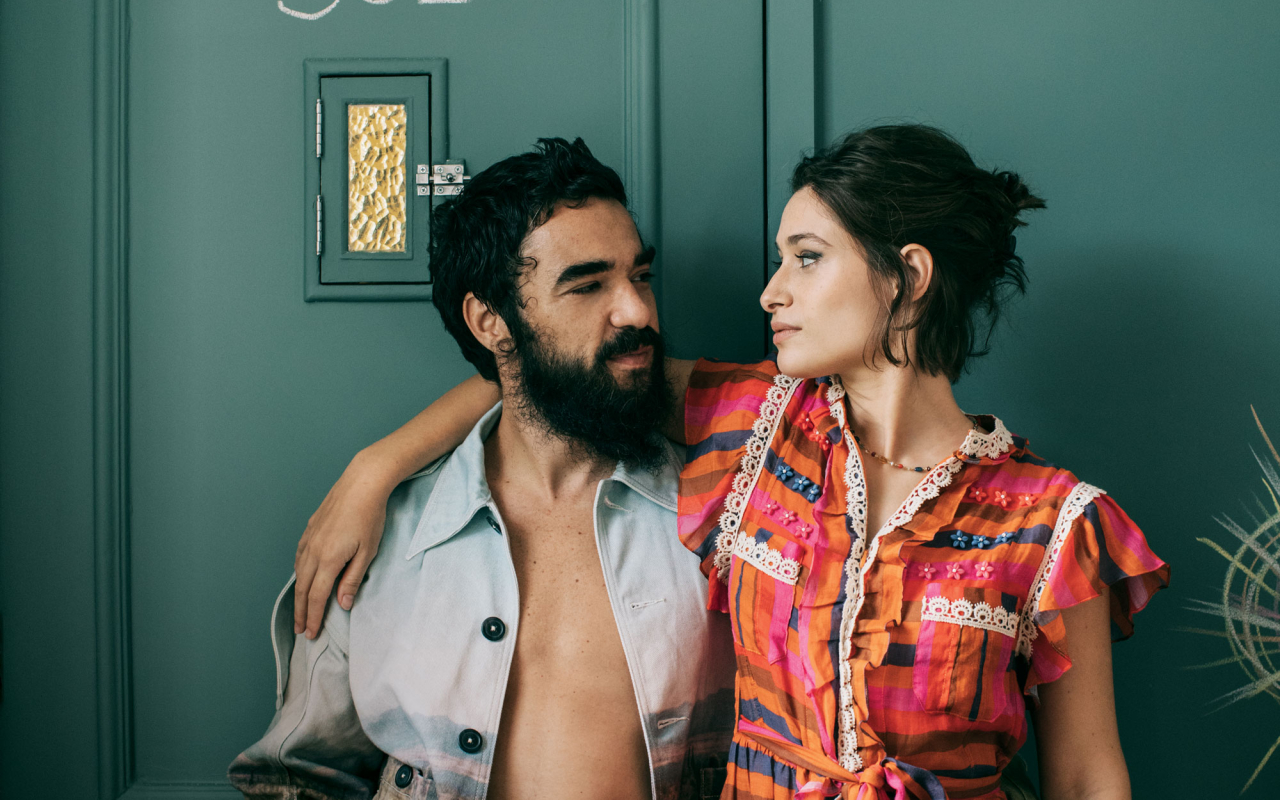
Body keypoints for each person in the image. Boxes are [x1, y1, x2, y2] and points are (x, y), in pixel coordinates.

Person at [292, 125, 1169, 799]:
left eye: (807, 260)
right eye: (781, 259)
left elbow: (1089, 778)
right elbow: (549, 371)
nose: (770, 292)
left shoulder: (1057, 523)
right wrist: (378, 466)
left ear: (906, 276)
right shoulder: (758, 430)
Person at [229, 138, 734, 800]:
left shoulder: (729, 512)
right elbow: (298, 778)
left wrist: (379, 461)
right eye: (587, 285)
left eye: (639, 276)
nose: (638, 310)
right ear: (490, 320)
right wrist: (377, 472)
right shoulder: (383, 544)